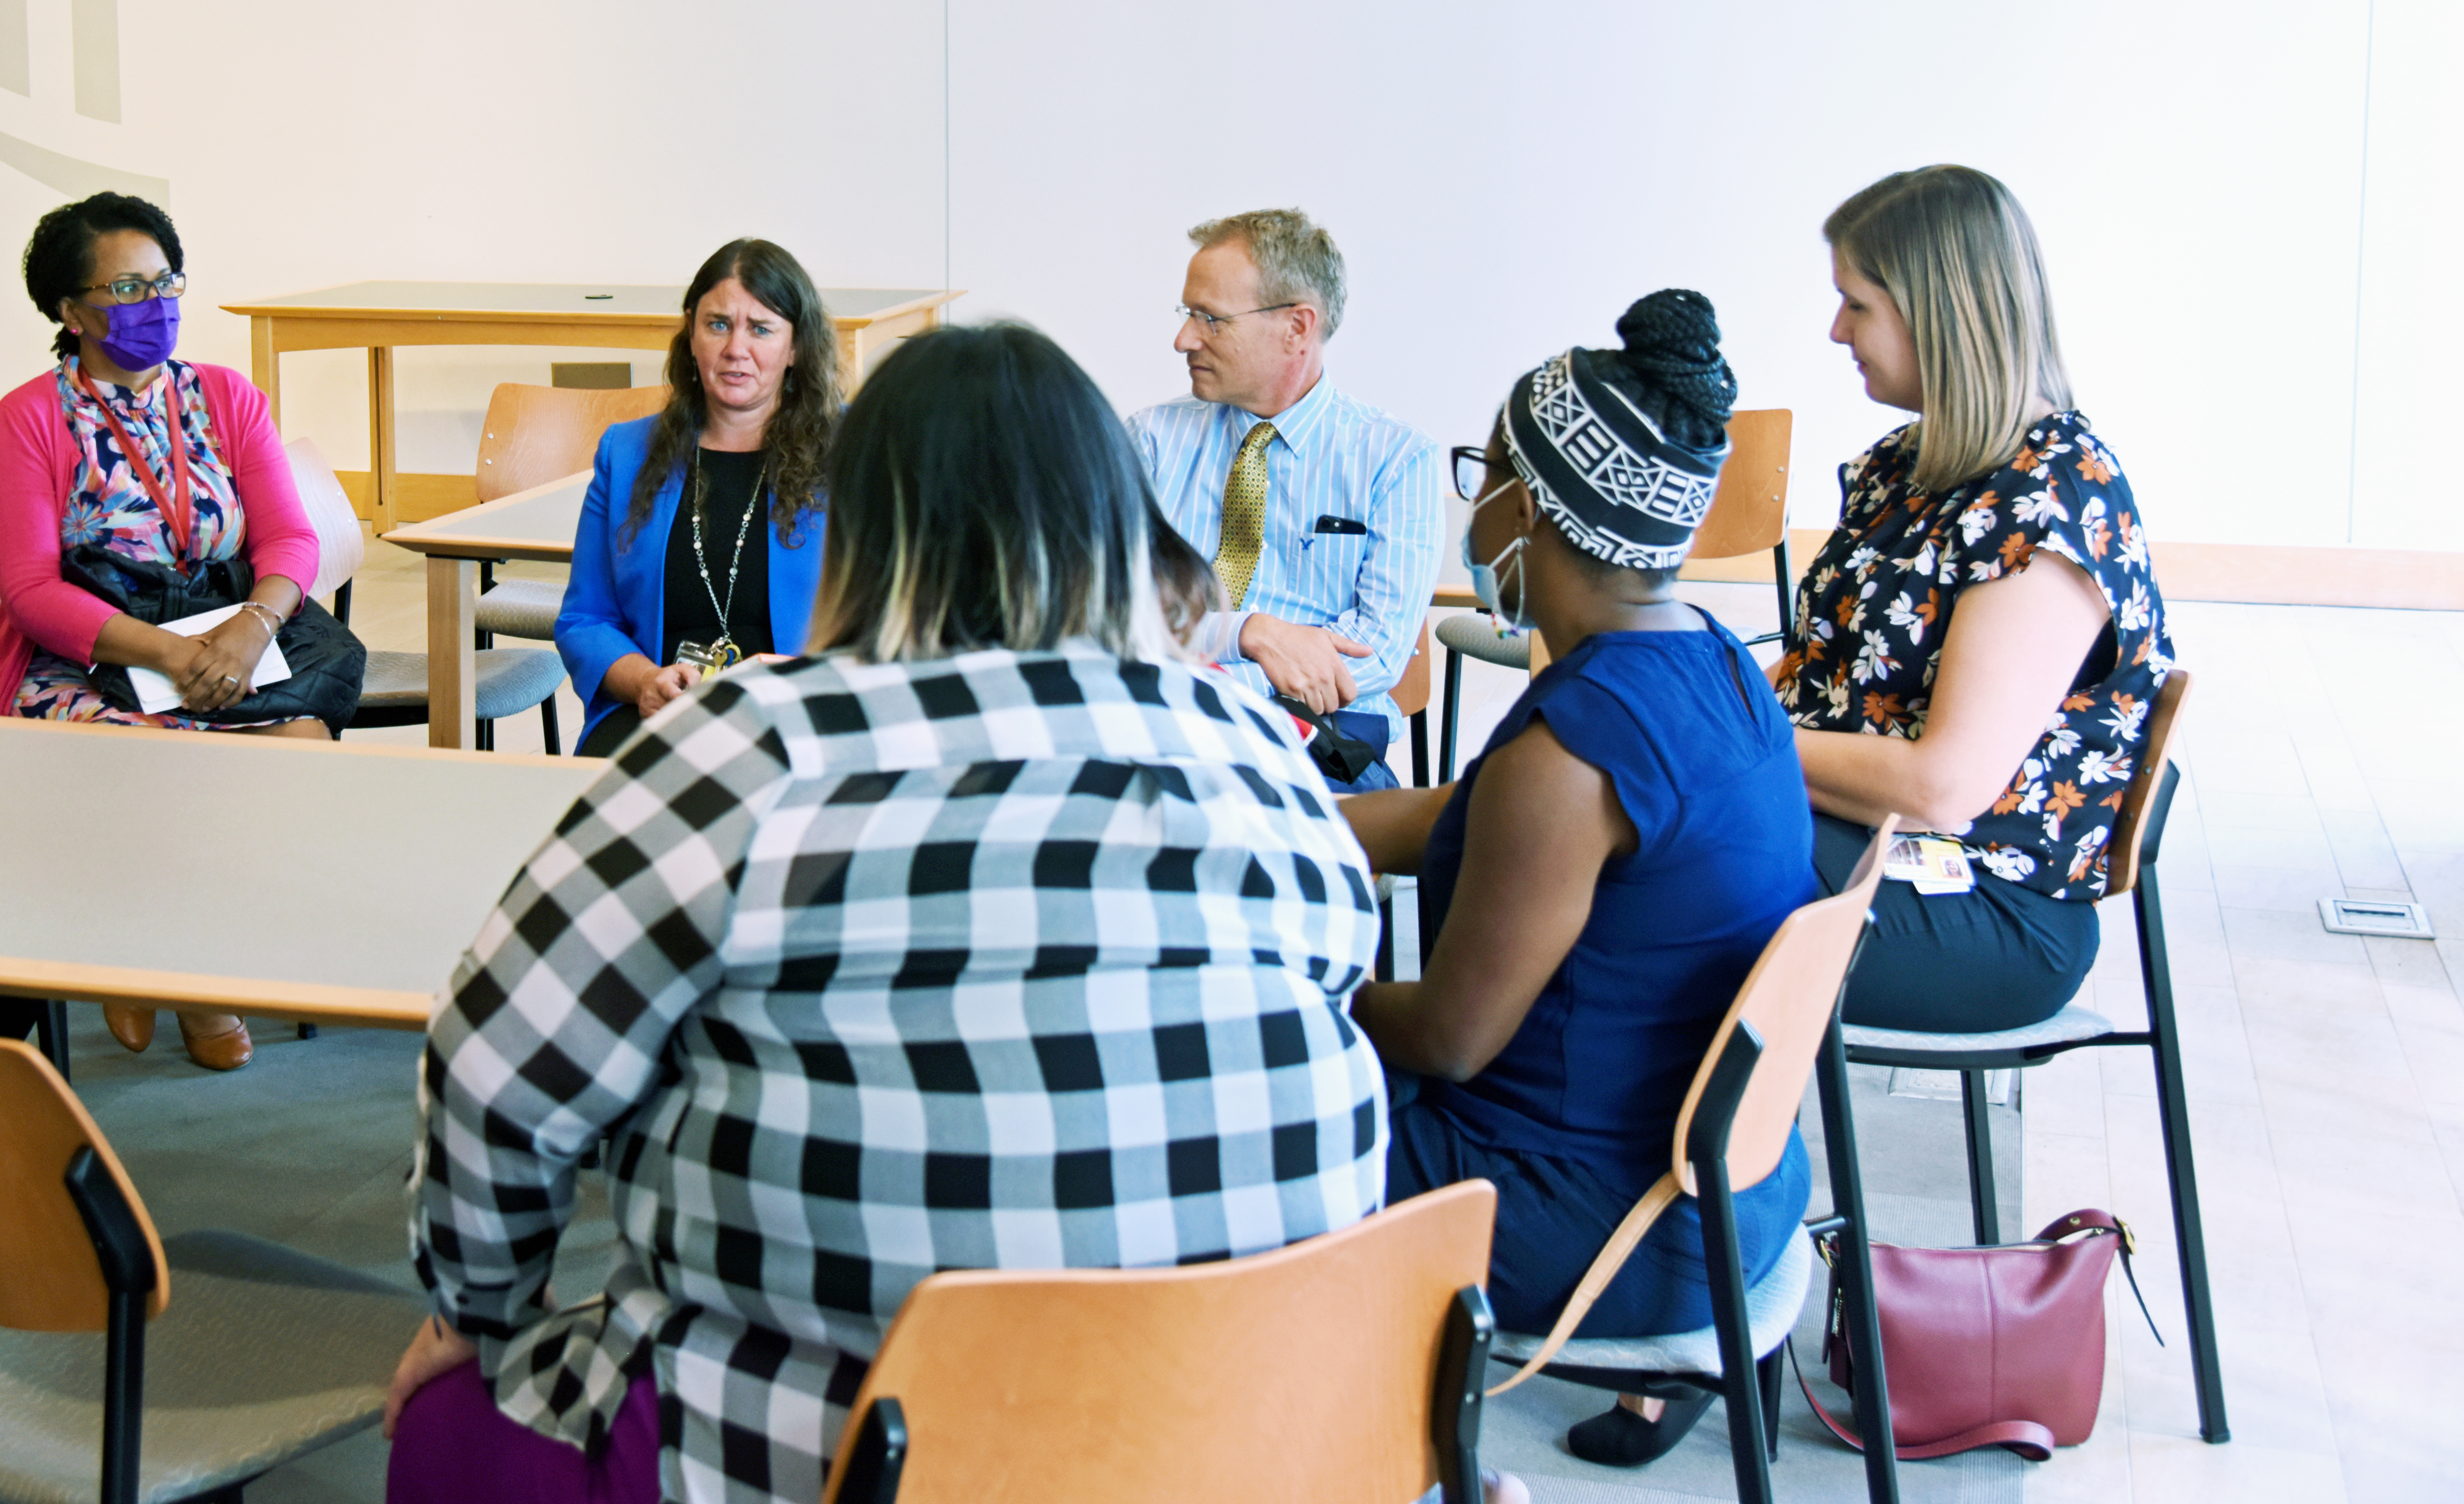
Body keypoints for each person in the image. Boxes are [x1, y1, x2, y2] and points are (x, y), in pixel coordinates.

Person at [388, 323, 1394, 1504]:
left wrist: (479, 1310)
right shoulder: (1256, 752)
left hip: (849, 1448)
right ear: (1120, 527)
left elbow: (496, 1071)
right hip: (1245, 1438)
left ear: (858, 531)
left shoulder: (755, 742)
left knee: (449, 1422)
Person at [1337, 292, 1819, 1468]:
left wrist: (1298, 991)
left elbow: (1446, 1040)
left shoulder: (1568, 752)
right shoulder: (1713, 665)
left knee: (1215, 1118)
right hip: (1730, 1189)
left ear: (1525, 505)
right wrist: (1280, 821)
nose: (1471, 505)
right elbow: (1466, 817)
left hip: (1592, 1220)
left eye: (1480, 474)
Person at [0, 190, 361, 1069]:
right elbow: (30, 589)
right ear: (71, 312)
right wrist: (170, 654)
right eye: (126, 289)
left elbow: (290, 539)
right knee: (158, 761)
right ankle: (187, 975)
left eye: (165, 282)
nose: (154, 305)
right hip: (90, 658)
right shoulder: (28, 418)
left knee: (301, 744)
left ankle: (149, 942)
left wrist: (252, 628)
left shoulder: (225, 397)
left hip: (230, 637)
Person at [1784, 166, 2174, 1034]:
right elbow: (1824, 676)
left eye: (1857, 305)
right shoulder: (1903, 466)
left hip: (1988, 907)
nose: (1837, 330)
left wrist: (1733, 739)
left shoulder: (2052, 497)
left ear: (1938, 312)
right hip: (1862, 834)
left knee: (1653, 872)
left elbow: (1942, 787)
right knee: (1618, 819)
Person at [1129, 208, 1440, 791]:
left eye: (1210, 319)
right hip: (1162, 729)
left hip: (1320, 741)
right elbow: (1113, 612)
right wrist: (1248, 633)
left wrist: (1208, 678)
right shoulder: (1149, 440)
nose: (1183, 339)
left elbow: (1376, 652)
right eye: (1186, 314)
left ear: (1297, 327)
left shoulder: (1396, 459)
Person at [552, 238, 835, 757]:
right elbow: (585, 620)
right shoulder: (626, 453)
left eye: (762, 329)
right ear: (691, 331)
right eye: (718, 324)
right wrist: (645, 681)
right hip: (657, 716)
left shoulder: (852, 454)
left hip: (800, 717)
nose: (736, 349)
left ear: (796, 346)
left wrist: (804, 681)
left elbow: (893, 622)